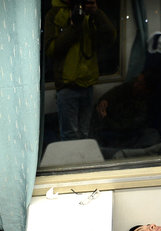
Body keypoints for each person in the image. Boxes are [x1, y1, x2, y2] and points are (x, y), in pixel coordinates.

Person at [44, 0, 117, 140]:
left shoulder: (89, 14)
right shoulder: (54, 14)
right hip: (67, 85)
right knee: (70, 136)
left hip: (87, 83)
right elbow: (51, 49)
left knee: (85, 134)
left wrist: (97, 13)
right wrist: (74, 28)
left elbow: (110, 37)